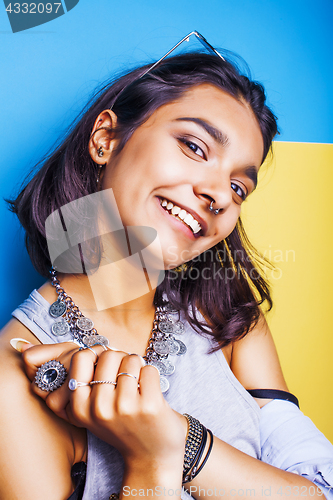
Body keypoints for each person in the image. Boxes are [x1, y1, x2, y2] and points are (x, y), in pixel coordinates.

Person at [0, 32, 332, 500]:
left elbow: (318, 490)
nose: (219, 194)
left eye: (239, 187)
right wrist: (150, 467)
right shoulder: (19, 375)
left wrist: (180, 443)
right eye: (195, 147)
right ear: (106, 139)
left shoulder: (227, 319)